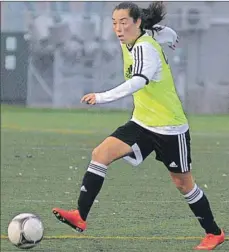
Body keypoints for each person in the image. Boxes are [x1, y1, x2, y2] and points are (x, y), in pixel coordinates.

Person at [52, 2, 225, 250]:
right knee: (100, 154)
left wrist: (101, 97)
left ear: (137, 23)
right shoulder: (138, 36)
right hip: (142, 123)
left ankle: (214, 232)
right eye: (114, 23)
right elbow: (165, 33)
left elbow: (137, 82)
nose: (118, 28)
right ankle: (80, 216)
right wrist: (173, 39)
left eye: (124, 22)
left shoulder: (146, 49)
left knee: (183, 184)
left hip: (169, 128)